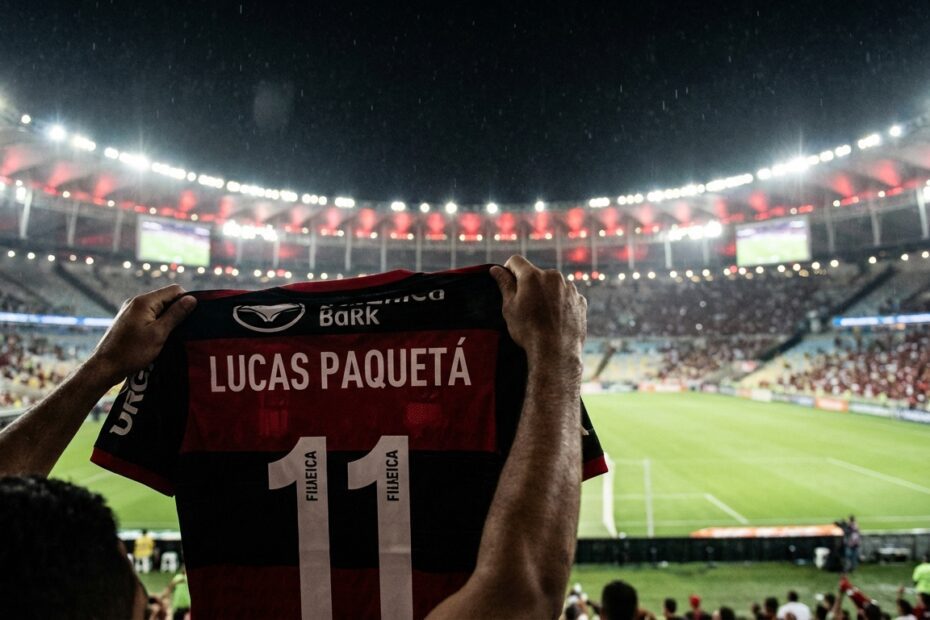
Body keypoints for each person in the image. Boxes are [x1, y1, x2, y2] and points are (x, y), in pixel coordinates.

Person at [0, 256, 590, 620]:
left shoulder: (199, 341)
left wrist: (102, 368)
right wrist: (557, 360)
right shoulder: (501, 335)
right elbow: (523, 596)